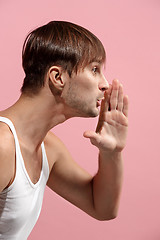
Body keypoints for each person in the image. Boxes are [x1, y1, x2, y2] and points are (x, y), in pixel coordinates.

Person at [0, 21, 129, 239]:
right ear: (58, 77)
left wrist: (111, 153)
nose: (105, 84)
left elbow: (102, 208)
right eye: (95, 69)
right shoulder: (2, 145)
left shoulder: (48, 148)